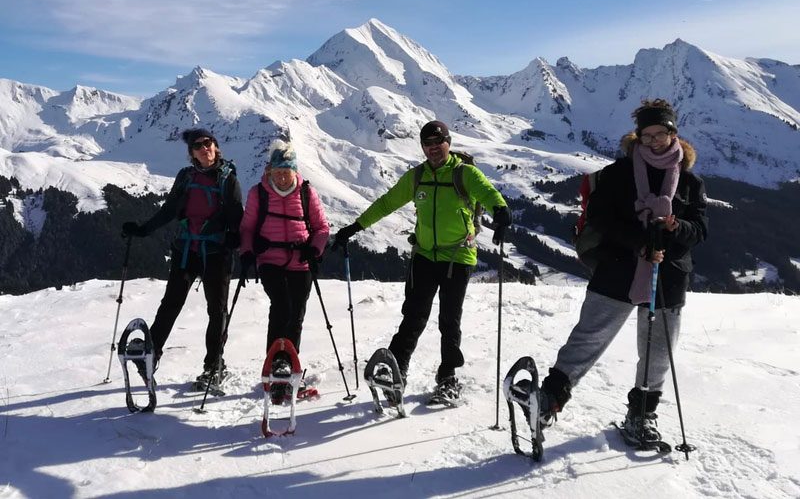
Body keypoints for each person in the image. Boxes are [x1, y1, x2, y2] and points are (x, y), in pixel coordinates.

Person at [537, 99, 708, 443]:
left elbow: (700, 230)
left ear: (674, 133)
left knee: (658, 352)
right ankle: (549, 398)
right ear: (638, 136)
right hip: (619, 267)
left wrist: (675, 229)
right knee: (589, 337)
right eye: (648, 135)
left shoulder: (689, 182)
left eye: (661, 133)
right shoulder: (618, 173)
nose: (655, 140)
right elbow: (601, 219)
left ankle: (642, 415)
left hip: (669, 274)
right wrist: (639, 242)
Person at [333, 120, 512, 402]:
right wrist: (355, 227)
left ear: (448, 143)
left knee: (449, 320)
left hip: (458, 256)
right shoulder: (417, 177)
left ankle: (448, 377)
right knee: (414, 315)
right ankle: (397, 369)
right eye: (427, 145)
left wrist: (500, 211)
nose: (432, 149)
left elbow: (488, 194)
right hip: (425, 256)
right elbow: (386, 203)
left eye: (437, 143)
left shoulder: (465, 174)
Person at [122, 128, 243, 386]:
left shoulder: (227, 178)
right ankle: (150, 355)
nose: (204, 148)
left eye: (207, 143)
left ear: (216, 145)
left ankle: (214, 365)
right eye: (197, 146)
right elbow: (169, 210)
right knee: (171, 303)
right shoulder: (186, 177)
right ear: (192, 154)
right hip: (186, 249)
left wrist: (236, 237)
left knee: (217, 311)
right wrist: (143, 230)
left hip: (216, 253)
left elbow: (236, 215)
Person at [238, 140, 330, 399]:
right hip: (270, 260)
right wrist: (247, 252)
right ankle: (276, 364)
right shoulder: (259, 193)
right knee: (281, 305)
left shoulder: (306, 192)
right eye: (276, 171)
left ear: (294, 171)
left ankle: (289, 363)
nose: (281, 176)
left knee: (297, 312)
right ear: (269, 171)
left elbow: (322, 227)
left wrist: (315, 249)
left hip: (302, 261)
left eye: (285, 171)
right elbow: (246, 228)